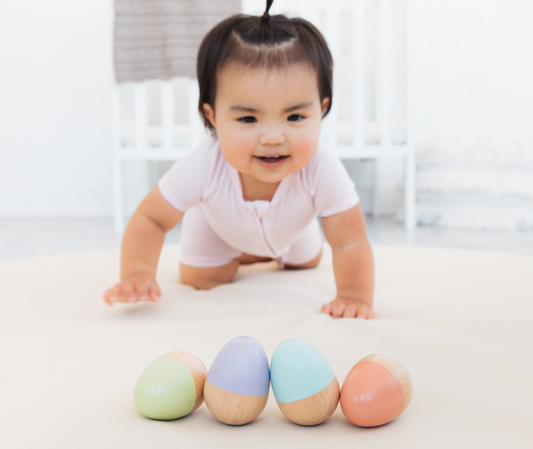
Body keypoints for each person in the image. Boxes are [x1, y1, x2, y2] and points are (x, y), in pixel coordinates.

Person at [103, 0, 375, 319]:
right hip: (219, 225)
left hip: (292, 229)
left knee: (307, 262)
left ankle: (267, 250)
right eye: (248, 119)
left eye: (295, 116)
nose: (273, 137)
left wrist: (354, 296)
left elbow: (350, 242)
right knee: (202, 280)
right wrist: (137, 273)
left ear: (321, 110)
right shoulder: (205, 164)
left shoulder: (323, 168)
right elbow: (151, 219)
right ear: (213, 117)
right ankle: (239, 251)